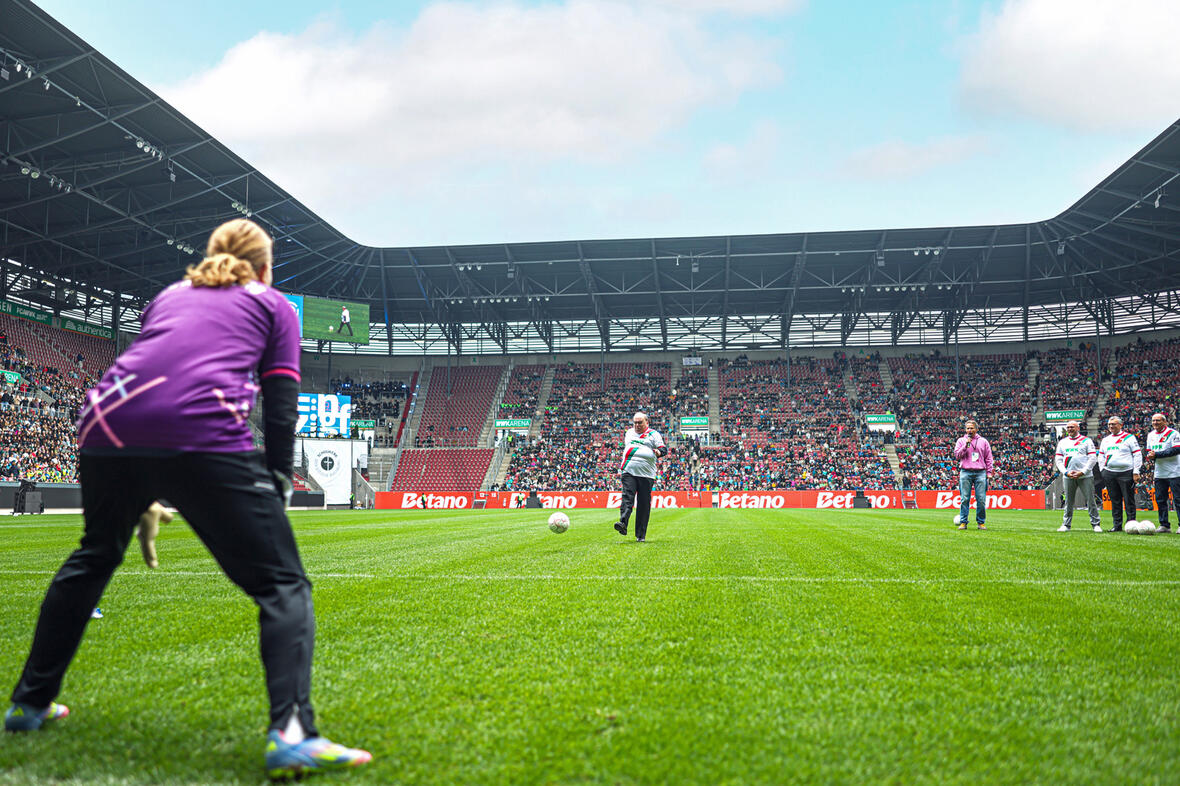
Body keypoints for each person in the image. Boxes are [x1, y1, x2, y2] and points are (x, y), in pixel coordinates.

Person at [3, 219, 372, 780]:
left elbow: (159, 366)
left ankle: (28, 704)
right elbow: (280, 397)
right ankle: (292, 734)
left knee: (95, 555)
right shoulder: (274, 305)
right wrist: (277, 478)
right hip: (198, 431)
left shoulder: (170, 295)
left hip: (105, 423)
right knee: (282, 583)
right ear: (265, 268)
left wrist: (145, 487)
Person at [612, 412, 667, 543]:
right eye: (635, 422)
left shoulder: (654, 434)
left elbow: (664, 449)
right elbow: (631, 447)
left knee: (643, 504)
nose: (637, 425)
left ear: (646, 422)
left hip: (646, 474)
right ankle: (623, 523)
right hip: (629, 470)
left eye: (640, 422)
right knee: (627, 497)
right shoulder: (629, 433)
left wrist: (658, 452)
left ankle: (640, 535)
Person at [1054, 420, 1101, 532]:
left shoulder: (1086, 441)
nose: (1070, 429)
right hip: (1068, 476)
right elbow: (1058, 459)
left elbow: (1093, 458)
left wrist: (1083, 471)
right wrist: (1065, 472)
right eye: (1068, 427)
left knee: (1090, 500)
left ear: (1078, 428)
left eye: (1072, 427)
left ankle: (1096, 524)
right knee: (1068, 501)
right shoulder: (1062, 442)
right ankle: (1066, 524)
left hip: (1085, 476)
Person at [1098, 416, 1141, 533]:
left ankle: (1131, 525)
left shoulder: (1129, 438)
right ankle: (1117, 525)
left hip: (1126, 472)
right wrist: (1103, 470)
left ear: (1121, 425)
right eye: (1109, 424)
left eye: (1114, 424)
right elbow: (1101, 456)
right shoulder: (1106, 440)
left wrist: (1136, 471)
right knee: (1115, 500)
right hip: (1110, 473)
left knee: (1129, 500)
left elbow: (1137, 454)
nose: (1111, 426)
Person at [953, 420, 993, 530]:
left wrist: (989, 472)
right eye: (967, 428)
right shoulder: (961, 441)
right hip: (965, 471)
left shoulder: (983, 441)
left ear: (976, 429)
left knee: (981, 499)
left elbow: (988, 458)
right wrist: (966, 445)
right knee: (964, 498)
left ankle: (981, 522)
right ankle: (963, 522)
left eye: (971, 428)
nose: (969, 430)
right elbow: (957, 455)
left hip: (980, 472)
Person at [1145, 412, 1180, 534]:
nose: (1155, 423)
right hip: (1159, 473)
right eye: (1153, 421)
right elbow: (1149, 451)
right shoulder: (1150, 435)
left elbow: (1176, 449)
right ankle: (1164, 525)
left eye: (1158, 420)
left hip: (1175, 472)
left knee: (1178, 499)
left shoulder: (1173, 433)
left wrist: (1157, 454)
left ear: (1165, 422)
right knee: (1160, 500)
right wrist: (1150, 456)